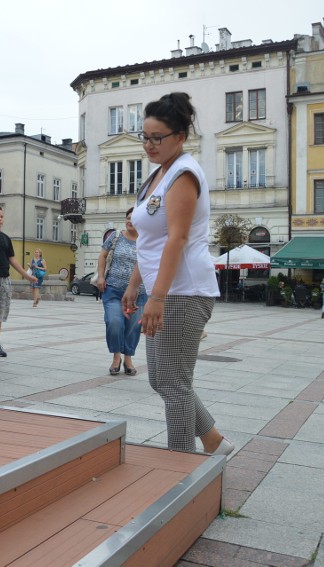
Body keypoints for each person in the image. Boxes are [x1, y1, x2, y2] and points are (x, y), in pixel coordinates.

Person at [121, 93, 231, 455]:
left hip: (183, 290)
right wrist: (135, 285)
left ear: (180, 136)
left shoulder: (183, 173)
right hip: (166, 289)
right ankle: (213, 441)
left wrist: (156, 298)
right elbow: (148, 240)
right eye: (145, 136)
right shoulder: (158, 174)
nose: (149, 145)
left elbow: (177, 239)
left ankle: (181, 467)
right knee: (164, 381)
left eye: (157, 138)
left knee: (173, 384)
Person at [96, 207, 146, 376]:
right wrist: (101, 277)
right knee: (114, 322)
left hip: (139, 294)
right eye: (127, 217)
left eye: (133, 218)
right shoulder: (116, 236)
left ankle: (128, 358)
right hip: (113, 290)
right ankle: (116, 357)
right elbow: (102, 255)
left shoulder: (147, 241)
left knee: (133, 327)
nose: (129, 220)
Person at [0, 206, 36, 357]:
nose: (0, 219)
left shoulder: (5, 239)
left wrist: (26, 275)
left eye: (2, 216)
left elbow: (12, 260)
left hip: (4, 279)